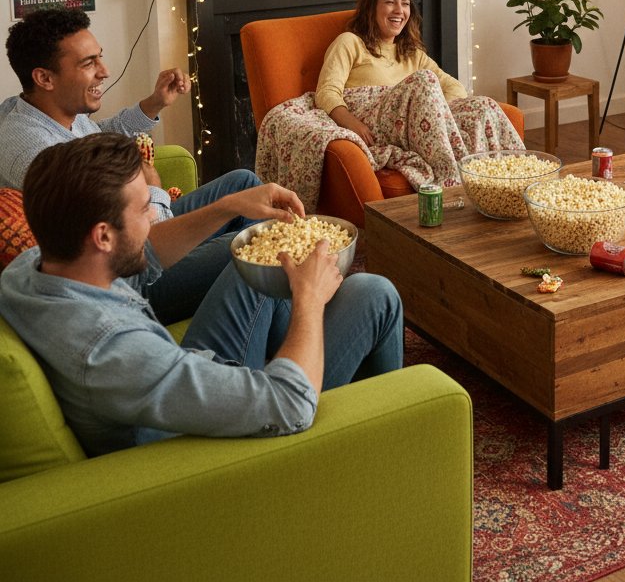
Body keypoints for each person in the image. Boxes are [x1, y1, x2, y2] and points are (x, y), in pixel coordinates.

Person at [0, 133, 403, 456]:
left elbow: (148, 252)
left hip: (182, 381)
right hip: (206, 445)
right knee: (376, 294)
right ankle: (389, 443)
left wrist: (228, 206)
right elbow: (289, 404)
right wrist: (309, 301)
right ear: (103, 236)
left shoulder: (37, 266)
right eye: (144, 211)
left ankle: (300, 355)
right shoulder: (112, 350)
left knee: (260, 265)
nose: (154, 217)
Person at [0, 7, 269, 324]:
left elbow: (101, 133)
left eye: (99, 57)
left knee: (242, 182)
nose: (105, 71)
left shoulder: (48, 112)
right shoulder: (33, 150)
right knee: (256, 242)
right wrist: (153, 188)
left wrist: (154, 103)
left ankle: (255, 302)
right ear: (44, 77)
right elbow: (132, 243)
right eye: (89, 63)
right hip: (127, 276)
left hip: (133, 233)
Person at [315, 0, 523, 186]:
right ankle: (452, 181)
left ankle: (512, 179)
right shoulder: (349, 42)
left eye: (405, 4)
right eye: (390, 2)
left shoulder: (411, 53)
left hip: (415, 126)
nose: (399, 11)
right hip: (373, 124)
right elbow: (326, 91)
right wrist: (352, 123)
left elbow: (454, 86)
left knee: (483, 105)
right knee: (425, 80)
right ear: (371, 7)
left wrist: (439, 113)